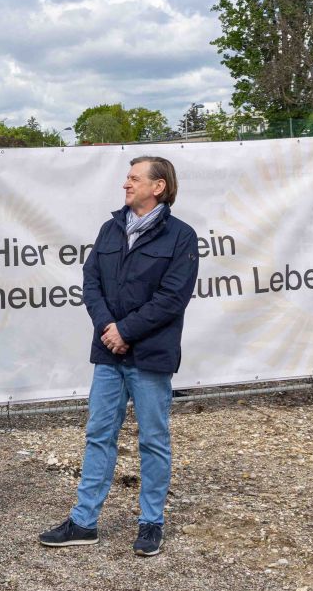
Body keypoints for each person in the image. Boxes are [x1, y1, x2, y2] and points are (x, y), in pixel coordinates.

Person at [39, 156, 198, 557]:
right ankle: (84, 521)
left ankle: (151, 523)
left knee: (154, 440)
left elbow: (172, 297)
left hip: (150, 356)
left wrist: (125, 331)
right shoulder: (110, 230)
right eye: (126, 178)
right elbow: (90, 282)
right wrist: (109, 329)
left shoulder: (180, 236)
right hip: (108, 355)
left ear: (158, 186)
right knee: (98, 436)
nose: (125, 185)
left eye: (133, 178)